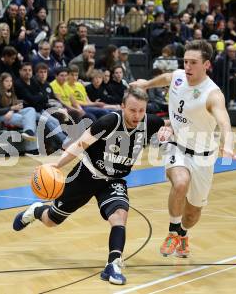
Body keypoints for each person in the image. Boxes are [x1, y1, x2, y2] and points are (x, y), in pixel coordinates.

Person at [12, 87, 167, 285]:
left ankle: (113, 265)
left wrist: (167, 128)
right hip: (86, 174)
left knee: (120, 216)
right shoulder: (109, 121)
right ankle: (36, 211)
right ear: (122, 107)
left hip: (114, 180)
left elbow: (170, 124)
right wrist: (58, 165)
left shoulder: (150, 122)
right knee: (52, 220)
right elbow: (80, 144)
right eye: (132, 110)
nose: (137, 115)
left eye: (141, 111)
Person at [130, 39, 236, 258]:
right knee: (180, 183)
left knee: (192, 214)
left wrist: (228, 145)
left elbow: (224, 120)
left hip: (203, 157)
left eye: (193, 63)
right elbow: (167, 78)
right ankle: (172, 232)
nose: (187, 67)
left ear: (206, 64)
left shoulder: (212, 94)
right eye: (185, 61)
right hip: (176, 144)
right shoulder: (179, 76)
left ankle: (183, 233)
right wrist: (146, 84)